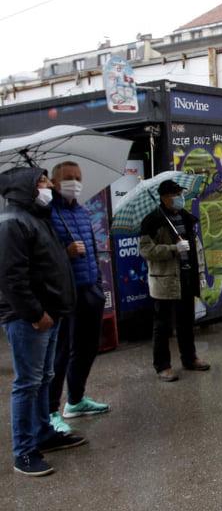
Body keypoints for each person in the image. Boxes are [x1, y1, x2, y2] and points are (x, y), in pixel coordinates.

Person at [0, 167, 85, 477]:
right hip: (30, 319)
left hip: (50, 314)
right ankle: (23, 451)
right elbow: (11, 278)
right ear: (24, 187)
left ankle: (43, 433)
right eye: (42, 181)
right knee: (27, 383)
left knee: (44, 377)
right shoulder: (12, 223)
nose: (49, 186)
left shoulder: (38, 217)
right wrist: (36, 314)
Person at [47, 161, 110, 435]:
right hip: (63, 294)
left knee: (87, 348)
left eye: (77, 178)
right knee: (59, 354)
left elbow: (94, 252)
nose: (74, 183)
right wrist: (65, 251)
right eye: (68, 178)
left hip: (89, 292)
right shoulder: (47, 214)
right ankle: (50, 410)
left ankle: (75, 399)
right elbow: (42, 257)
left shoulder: (83, 213)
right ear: (53, 182)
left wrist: (97, 284)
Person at [139, 179, 211, 382]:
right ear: (164, 197)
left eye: (181, 194)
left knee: (186, 322)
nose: (181, 198)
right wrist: (173, 249)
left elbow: (196, 248)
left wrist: (201, 274)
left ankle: (189, 358)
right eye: (176, 195)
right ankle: (162, 366)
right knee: (162, 325)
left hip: (187, 277)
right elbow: (146, 250)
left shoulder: (186, 218)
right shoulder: (152, 221)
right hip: (165, 282)